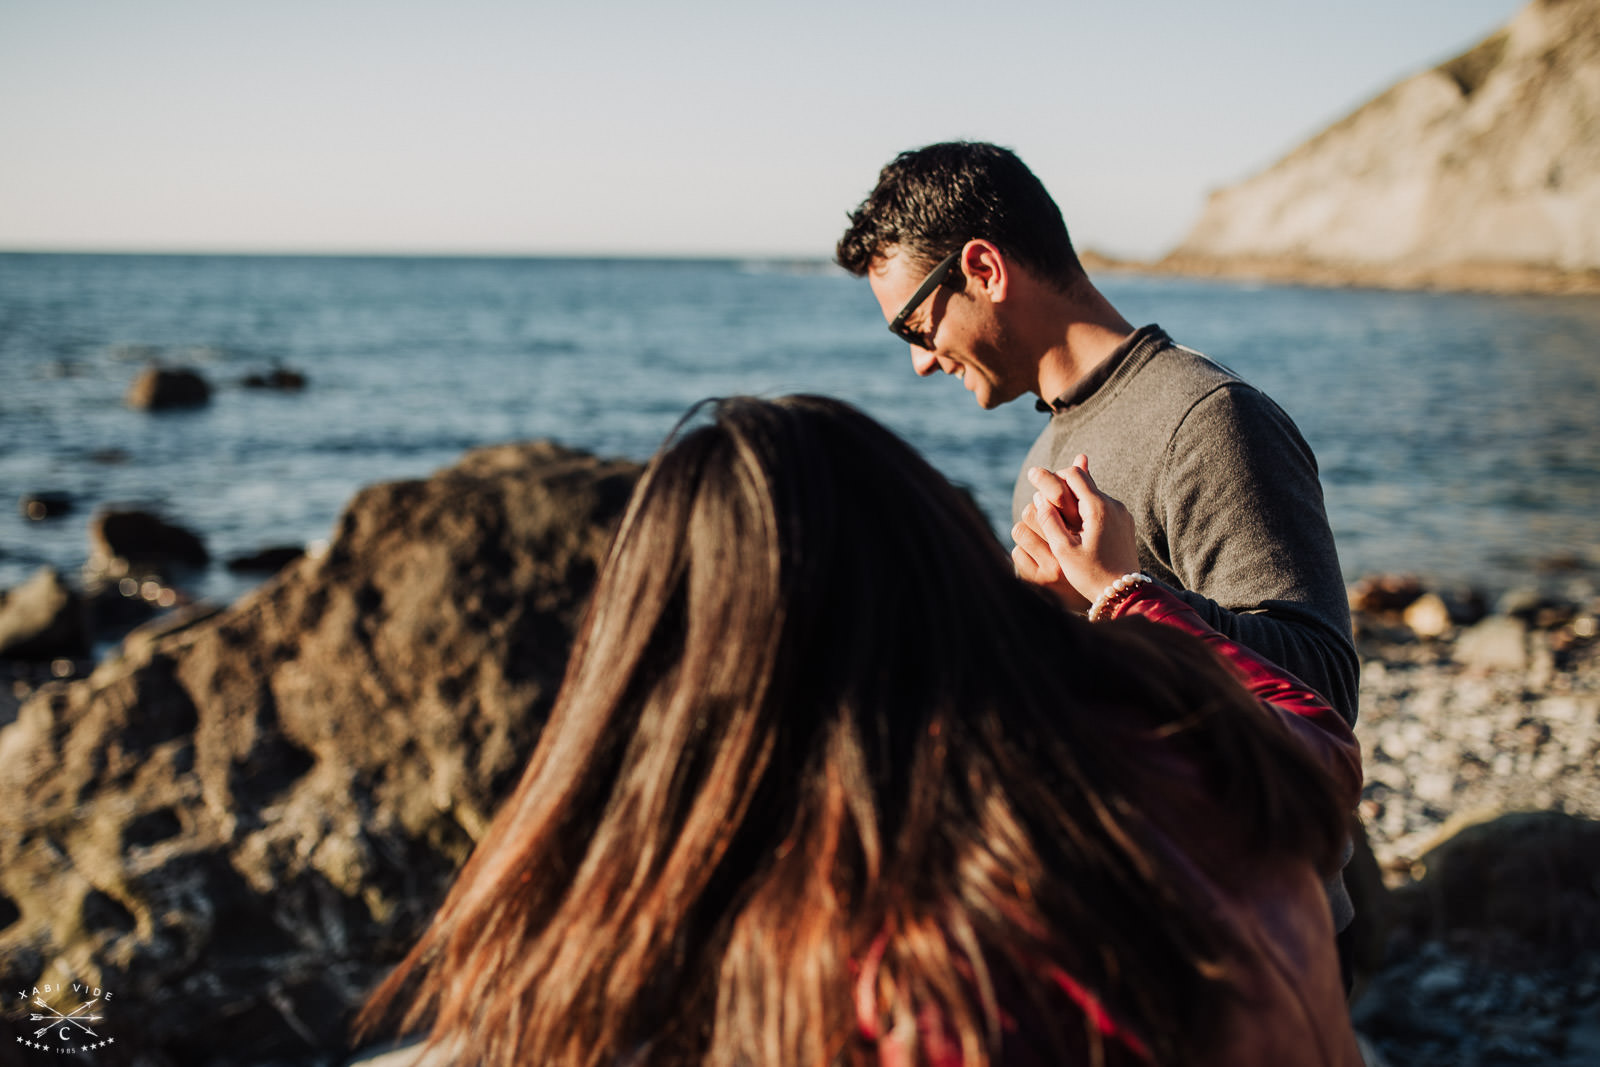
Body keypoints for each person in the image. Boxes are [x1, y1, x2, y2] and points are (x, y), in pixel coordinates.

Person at [360, 395, 1363, 1066]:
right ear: (944, 554)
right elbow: (1308, 721)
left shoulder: (917, 966)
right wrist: (1123, 593)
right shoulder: (1214, 755)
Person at [835, 141, 1362, 954]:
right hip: (1147, 920)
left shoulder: (1209, 418)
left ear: (983, 267)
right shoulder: (1039, 461)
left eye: (916, 322)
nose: (917, 361)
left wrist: (1119, 592)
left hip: (1261, 940)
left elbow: (1323, 690)